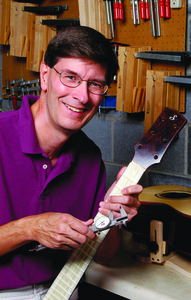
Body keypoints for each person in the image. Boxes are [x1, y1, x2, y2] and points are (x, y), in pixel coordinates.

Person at [0, 26, 142, 299]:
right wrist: (30, 228)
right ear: (44, 76)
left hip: (63, 289)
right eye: (70, 77)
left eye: (95, 84)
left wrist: (111, 216)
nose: (82, 96)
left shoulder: (90, 157)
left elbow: (105, 256)